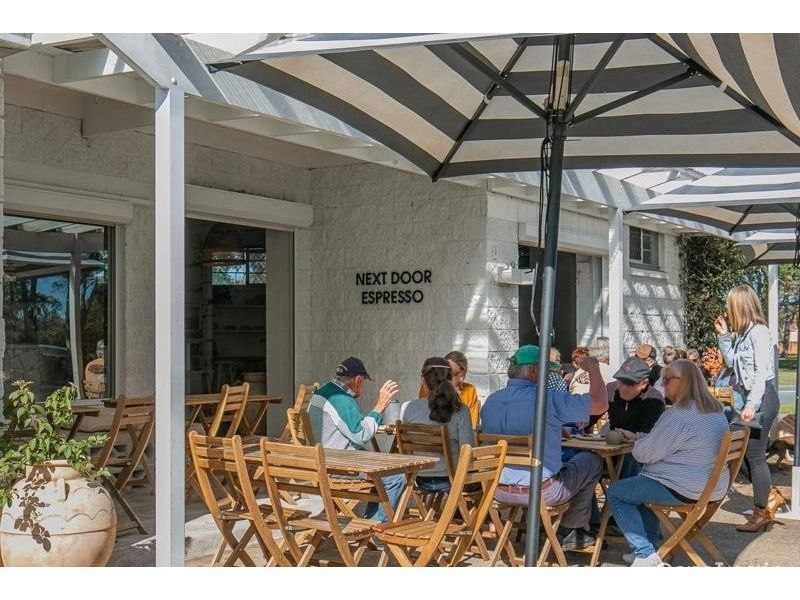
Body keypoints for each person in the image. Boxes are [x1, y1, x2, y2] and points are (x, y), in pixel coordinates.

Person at [481, 345, 609, 552]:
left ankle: (547, 526)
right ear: (534, 371)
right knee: (591, 460)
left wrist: (553, 427)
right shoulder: (546, 399)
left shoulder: (491, 400)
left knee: (557, 463)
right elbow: (600, 404)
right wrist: (593, 368)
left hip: (498, 490)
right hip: (541, 492)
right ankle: (571, 527)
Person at [607, 359, 731, 567]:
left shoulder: (679, 415)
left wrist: (638, 442)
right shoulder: (715, 412)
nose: (662, 383)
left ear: (684, 381)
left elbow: (644, 455)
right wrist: (641, 438)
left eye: (667, 378)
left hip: (684, 487)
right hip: (712, 486)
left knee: (617, 492)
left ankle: (645, 554)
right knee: (642, 486)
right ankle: (651, 548)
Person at [715, 284, 781, 532]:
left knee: (754, 455)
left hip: (761, 398)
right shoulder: (743, 334)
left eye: (730, 306)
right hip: (747, 399)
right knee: (739, 451)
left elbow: (761, 373)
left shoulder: (759, 333)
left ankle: (761, 511)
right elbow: (732, 362)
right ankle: (769, 495)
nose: (728, 311)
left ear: (740, 306)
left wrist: (752, 405)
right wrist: (724, 336)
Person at [307, 356, 403, 522]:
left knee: (380, 472)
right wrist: (380, 406)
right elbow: (361, 435)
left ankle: (370, 520)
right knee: (396, 476)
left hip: (323, 461)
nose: (362, 388)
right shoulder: (341, 398)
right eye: (363, 383)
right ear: (358, 380)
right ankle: (376, 526)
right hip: (340, 466)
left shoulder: (323, 391)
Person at [402, 357, 475, 492]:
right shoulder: (460, 410)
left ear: (423, 380)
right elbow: (468, 450)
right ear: (450, 379)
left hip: (418, 478)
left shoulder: (407, 408)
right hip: (453, 479)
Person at [607, 356, 666, 478]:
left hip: (639, 454)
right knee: (588, 457)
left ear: (644, 383)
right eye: (620, 381)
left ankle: (625, 490)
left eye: (629, 383)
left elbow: (649, 438)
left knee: (631, 457)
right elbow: (590, 416)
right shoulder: (611, 389)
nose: (622, 387)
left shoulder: (654, 400)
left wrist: (633, 436)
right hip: (612, 449)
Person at [418, 350, 480, 429]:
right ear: (444, 373)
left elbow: (473, 425)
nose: (461, 379)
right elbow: (422, 417)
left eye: (463, 374)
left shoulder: (470, 390)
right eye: (455, 374)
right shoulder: (428, 389)